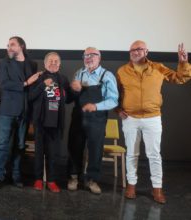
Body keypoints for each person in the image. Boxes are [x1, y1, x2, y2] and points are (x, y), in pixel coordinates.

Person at [117, 41, 191, 204]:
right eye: (132, 50)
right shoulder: (122, 71)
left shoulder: (158, 67)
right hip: (130, 118)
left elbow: (180, 78)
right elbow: (116, 92)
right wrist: (117, 109)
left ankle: (157, 188)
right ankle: (131, 185)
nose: (135, 52)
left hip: (153, 117)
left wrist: (183, 63)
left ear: (146, 51)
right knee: (132, 153)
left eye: (139, 49)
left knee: (154, 154)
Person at [67, 47, 119, 194]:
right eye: (86, 55)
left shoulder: (107, 75)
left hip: (96, 119)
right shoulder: (79, 73)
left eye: (92, 55)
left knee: (96, 150)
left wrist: (96, 106)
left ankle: (92, 180)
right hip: (78, 118)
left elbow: (114, 100)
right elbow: (72, 97)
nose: (89, 57)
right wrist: (74, 89)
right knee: (74, 148)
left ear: (99, 57)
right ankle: (73, 177)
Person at [0, 36, 40, 189]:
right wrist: (26, 83)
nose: (9, 47)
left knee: (20, 145)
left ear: (22, 47)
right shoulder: (4, 63)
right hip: (7, 111)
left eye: (12, 45)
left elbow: (33, 90)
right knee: (2, 144)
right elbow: (4, 85)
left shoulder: (32, 64)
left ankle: (16, 176)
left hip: (24, 112)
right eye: (8, 45)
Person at [29, 52, 71, 192]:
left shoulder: (63, 79)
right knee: (39, 152)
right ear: (45, 63)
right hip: (40, 121)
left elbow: (69, 98)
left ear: (59, 64)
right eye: (50, 61)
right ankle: (38, 179)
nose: (53, 63)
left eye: (56, 61)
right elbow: (30, 97)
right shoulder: (38, 77)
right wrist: (42, 85)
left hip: (56, 122)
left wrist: (75, 91)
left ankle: (52, 180)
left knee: (53, 153)